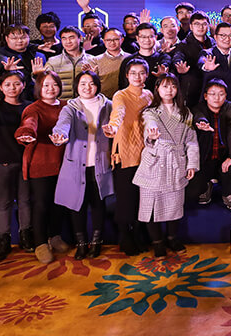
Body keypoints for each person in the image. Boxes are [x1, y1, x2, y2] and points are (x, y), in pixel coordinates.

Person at [51, 72, 115, 260]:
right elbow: (62, 125)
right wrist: (60, 135)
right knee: (76, 205)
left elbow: (117, 125)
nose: (87, 87)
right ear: (76, 86)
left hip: (100, 162)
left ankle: (96, 242)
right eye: (83, 83)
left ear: (97, 86)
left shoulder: (108, 105)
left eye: (91, 83)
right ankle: (81, 243)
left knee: (98, 204)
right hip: (76, 164)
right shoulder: (70, 108)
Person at [136, 74, 199, 256]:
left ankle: (172, 238)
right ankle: (157, 242)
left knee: (175, 204)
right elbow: (150, 125)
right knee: (150, 204)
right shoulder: (150, 112)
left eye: (173, 86)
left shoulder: (185, 113)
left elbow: (191, 141)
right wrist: (152, 135)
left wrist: (192, 164)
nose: (169, 90)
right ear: (157, 89)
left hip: (176, 162)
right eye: (164, 86)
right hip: (155, 160)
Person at [15, 71, 67, 264]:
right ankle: (40, 243)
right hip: (41, 161)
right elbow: (30, 123)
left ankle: (55, 237)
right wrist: (26, 133)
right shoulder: (34, 108)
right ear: (38, 88)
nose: (50, 89)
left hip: (63, 162)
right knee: (41, 204)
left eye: (54, 84)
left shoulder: (66, 106)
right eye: (46, 85)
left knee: (58, 203)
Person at [105, 60, 153, 254]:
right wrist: (113, 126)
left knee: (142, 198)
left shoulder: (149, 95)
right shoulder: (120, 95)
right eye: (133, 73)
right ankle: (125, 237)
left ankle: (138, 235)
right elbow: (118, 112)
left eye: (141, 73)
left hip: (146, 151)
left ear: (147, 75)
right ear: (127, 75)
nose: (137, 77)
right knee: (126, 198)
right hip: (126, 151)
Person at [0, 70, 30, 261]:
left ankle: (25, 237)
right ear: (1, 87)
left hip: (25, 161)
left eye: (17, 84)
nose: (12, 88)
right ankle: (3, 240)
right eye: (8, 85)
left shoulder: (29, 107)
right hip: (1, 161)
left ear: (24, 85)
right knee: (3, 202)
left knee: (25, 200)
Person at [191, 79, 231, 208]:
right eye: (212, 94)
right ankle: (206, 185)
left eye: (221, 94)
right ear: (205, 96)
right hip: (205, 156)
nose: (217, 98)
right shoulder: (199, 107)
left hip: (225, 155)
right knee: (192, 192)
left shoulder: (230, 108)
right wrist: (202, 123)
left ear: (226, 96)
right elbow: (198, 115)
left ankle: (228, 192)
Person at [0, 23, 45, 100]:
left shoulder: (38, 55)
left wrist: (38, 75)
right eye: (14, 38)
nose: (19, 41)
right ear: (6, 38)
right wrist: (6, 66)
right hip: (6, 99)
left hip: (34, 98)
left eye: (23, 38)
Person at [199, 22, 231, 110]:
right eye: (223, 35)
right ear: (215, 37)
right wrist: (206, 67)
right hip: (211, 106)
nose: (227, 39)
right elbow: (201, 62)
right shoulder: (207, 53)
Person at [46, 26, 94, 99]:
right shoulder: (53, 61)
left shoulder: (92, 60)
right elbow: (44, 83)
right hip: (61, 103)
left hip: (86, 102)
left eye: (71, 38)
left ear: (80, 38)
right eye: (64, 38)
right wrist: (37, 75)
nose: (68, 41)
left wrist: (94, 75)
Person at [124, 22, 171, 91]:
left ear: (156, 37)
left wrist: (162, 76)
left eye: (151, 36)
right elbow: (123, 85)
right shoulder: (128, 60)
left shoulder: (164, 58)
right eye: (143, 37)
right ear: (137, 38)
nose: (147, 40)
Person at [90, 26, 129, 97]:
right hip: (104, 99)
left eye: (116, 39)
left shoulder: (130, 58)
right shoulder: (95, 60)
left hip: (127, 98)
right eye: (108, 40)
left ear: (122, 40)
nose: (112, 42)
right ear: (104, 41)